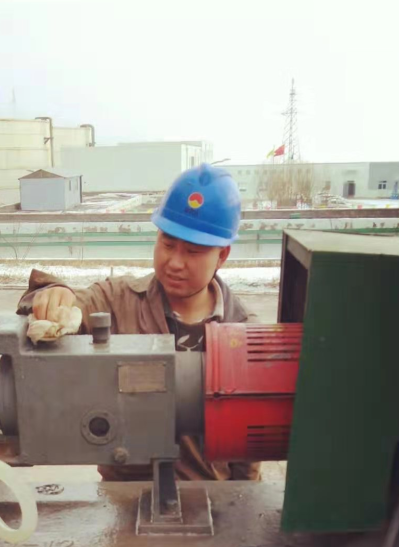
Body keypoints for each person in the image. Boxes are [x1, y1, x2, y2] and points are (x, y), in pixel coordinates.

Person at [17, 163, 260, 482]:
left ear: (222, 256)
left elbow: (250, 451)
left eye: (193, 251)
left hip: (208, 497)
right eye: (167, 244)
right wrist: (54, 292)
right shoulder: (119, 300)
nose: (175, 262)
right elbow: (74, 303)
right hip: (124, 495)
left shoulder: (243, 332)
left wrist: (241, 500)